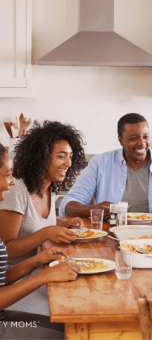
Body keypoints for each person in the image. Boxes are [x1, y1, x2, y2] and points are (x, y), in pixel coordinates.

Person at [59, 113, 152, 219]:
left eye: (145, 136)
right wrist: (93, 210)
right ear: (120, 140)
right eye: (133, 138)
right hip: (112, 236)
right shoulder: (100, 164)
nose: (142, 143)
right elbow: (66, 205)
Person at [0, 143, 80, 339]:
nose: (12, 182)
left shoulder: (50, 189)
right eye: (8, 174)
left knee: (70, 323)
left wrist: (38, 260)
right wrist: (44, 276)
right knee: (69, 331)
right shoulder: (19, 191)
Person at [0, 121, 87, 265]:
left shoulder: (50, 188)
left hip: (44, 266)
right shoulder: (16, 191)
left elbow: (30, 222)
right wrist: (46, 233)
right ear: (42, 157)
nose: (69, 163)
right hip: (17, 277)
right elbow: (6, 251)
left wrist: (62, 223)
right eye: (61, 156)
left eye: (70, 157)